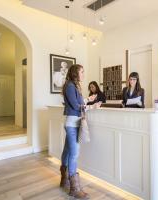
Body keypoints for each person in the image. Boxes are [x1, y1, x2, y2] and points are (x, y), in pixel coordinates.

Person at [60, 64, 89, 199]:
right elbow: (76, 106)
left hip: (73, 124)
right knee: (74, 154)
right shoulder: (71, 86)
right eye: (81, 72)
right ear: (75, 73)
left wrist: (88, 101)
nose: (83, 74)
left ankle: (64, 179)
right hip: (72, 125)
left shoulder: (73, 86)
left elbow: (78, 102)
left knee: (67, 151)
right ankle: (74, 188)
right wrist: (90, 106)